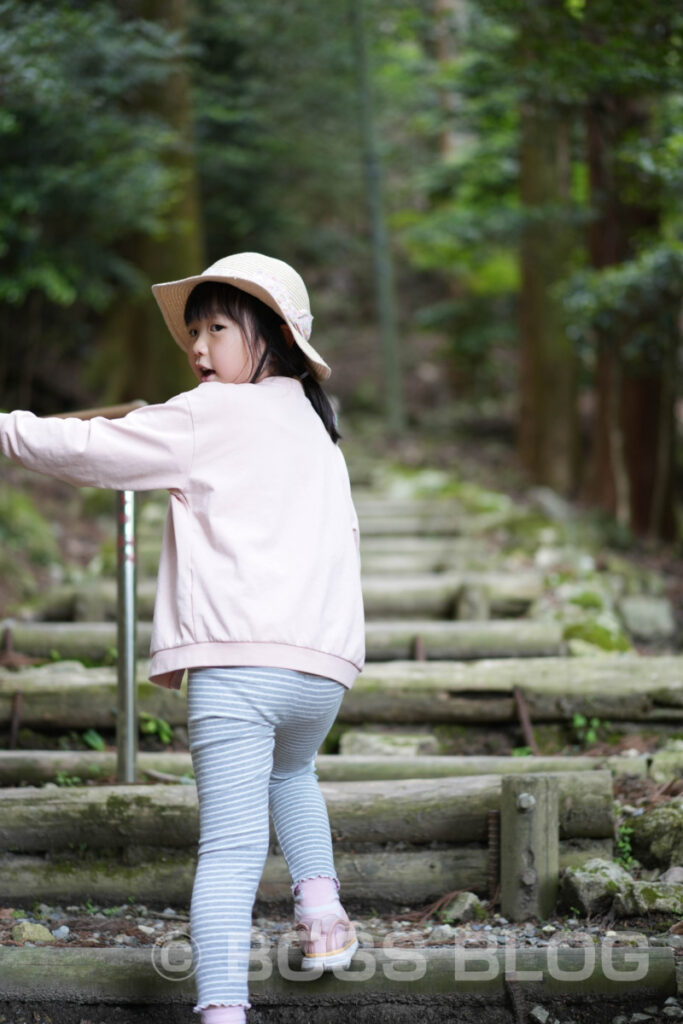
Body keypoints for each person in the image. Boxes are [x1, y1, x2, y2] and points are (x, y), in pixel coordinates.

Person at [0, 252, 366, 1024]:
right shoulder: (315, 425)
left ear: (270, 335)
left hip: (238, 668)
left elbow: (92, 451)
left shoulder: (210, 415)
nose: (198, 349)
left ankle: (222, 1009)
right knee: (293, 777)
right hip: (321, 674)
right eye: (193, 332)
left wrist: (9, 432)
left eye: (219, 330)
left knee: (229, 854)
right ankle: (324, 915)